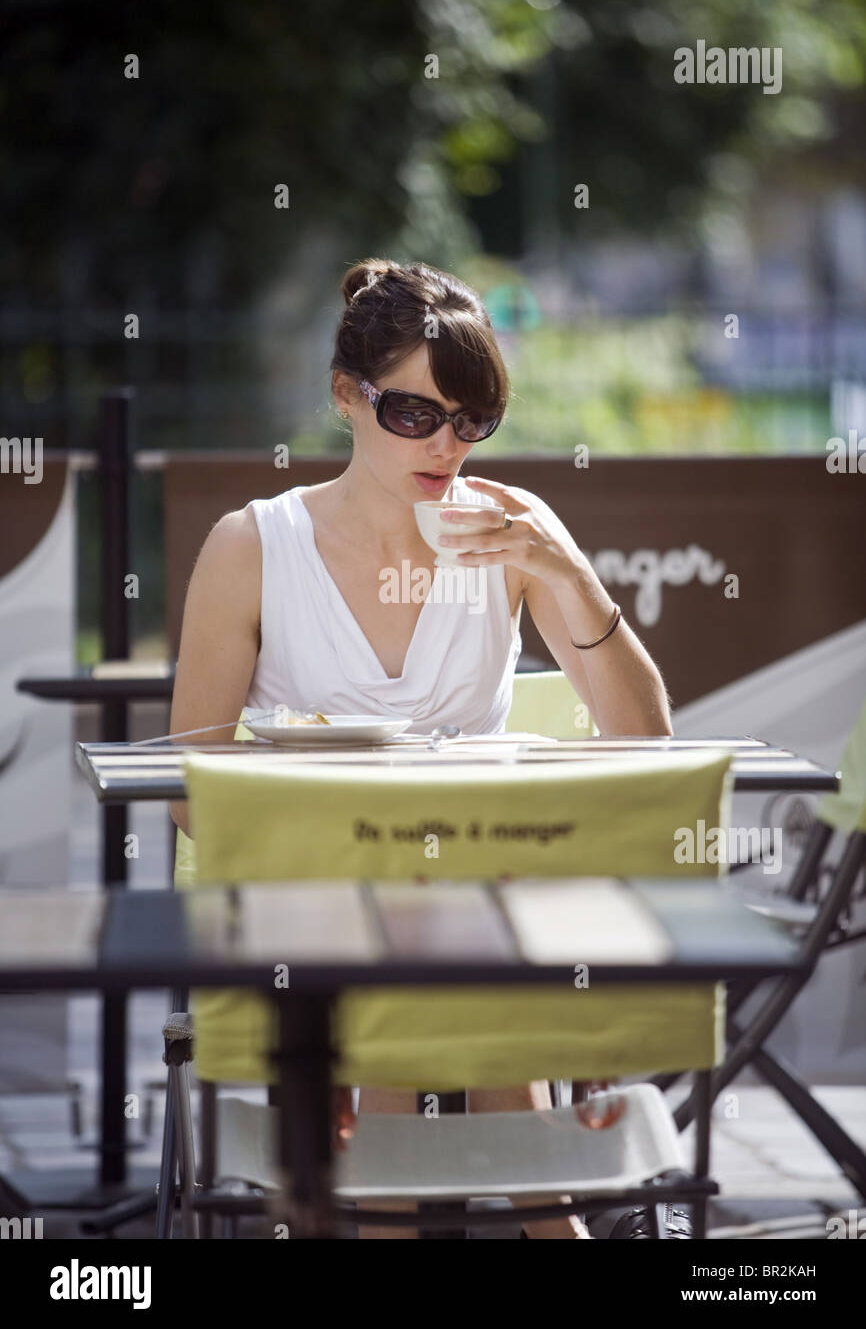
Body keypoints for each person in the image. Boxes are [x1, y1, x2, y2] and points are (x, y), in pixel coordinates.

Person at [168, 257, 673, 1239]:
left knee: (450, 943)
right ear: (345, 398)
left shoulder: (513, 531)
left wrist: (567, 576)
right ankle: (545, 1219)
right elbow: (192, 795)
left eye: (470, 419)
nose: (445, 443)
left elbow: (644, 740)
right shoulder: (252, 545)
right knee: (416, 959)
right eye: (414, 414)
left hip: (473, 898)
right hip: (317, 897)